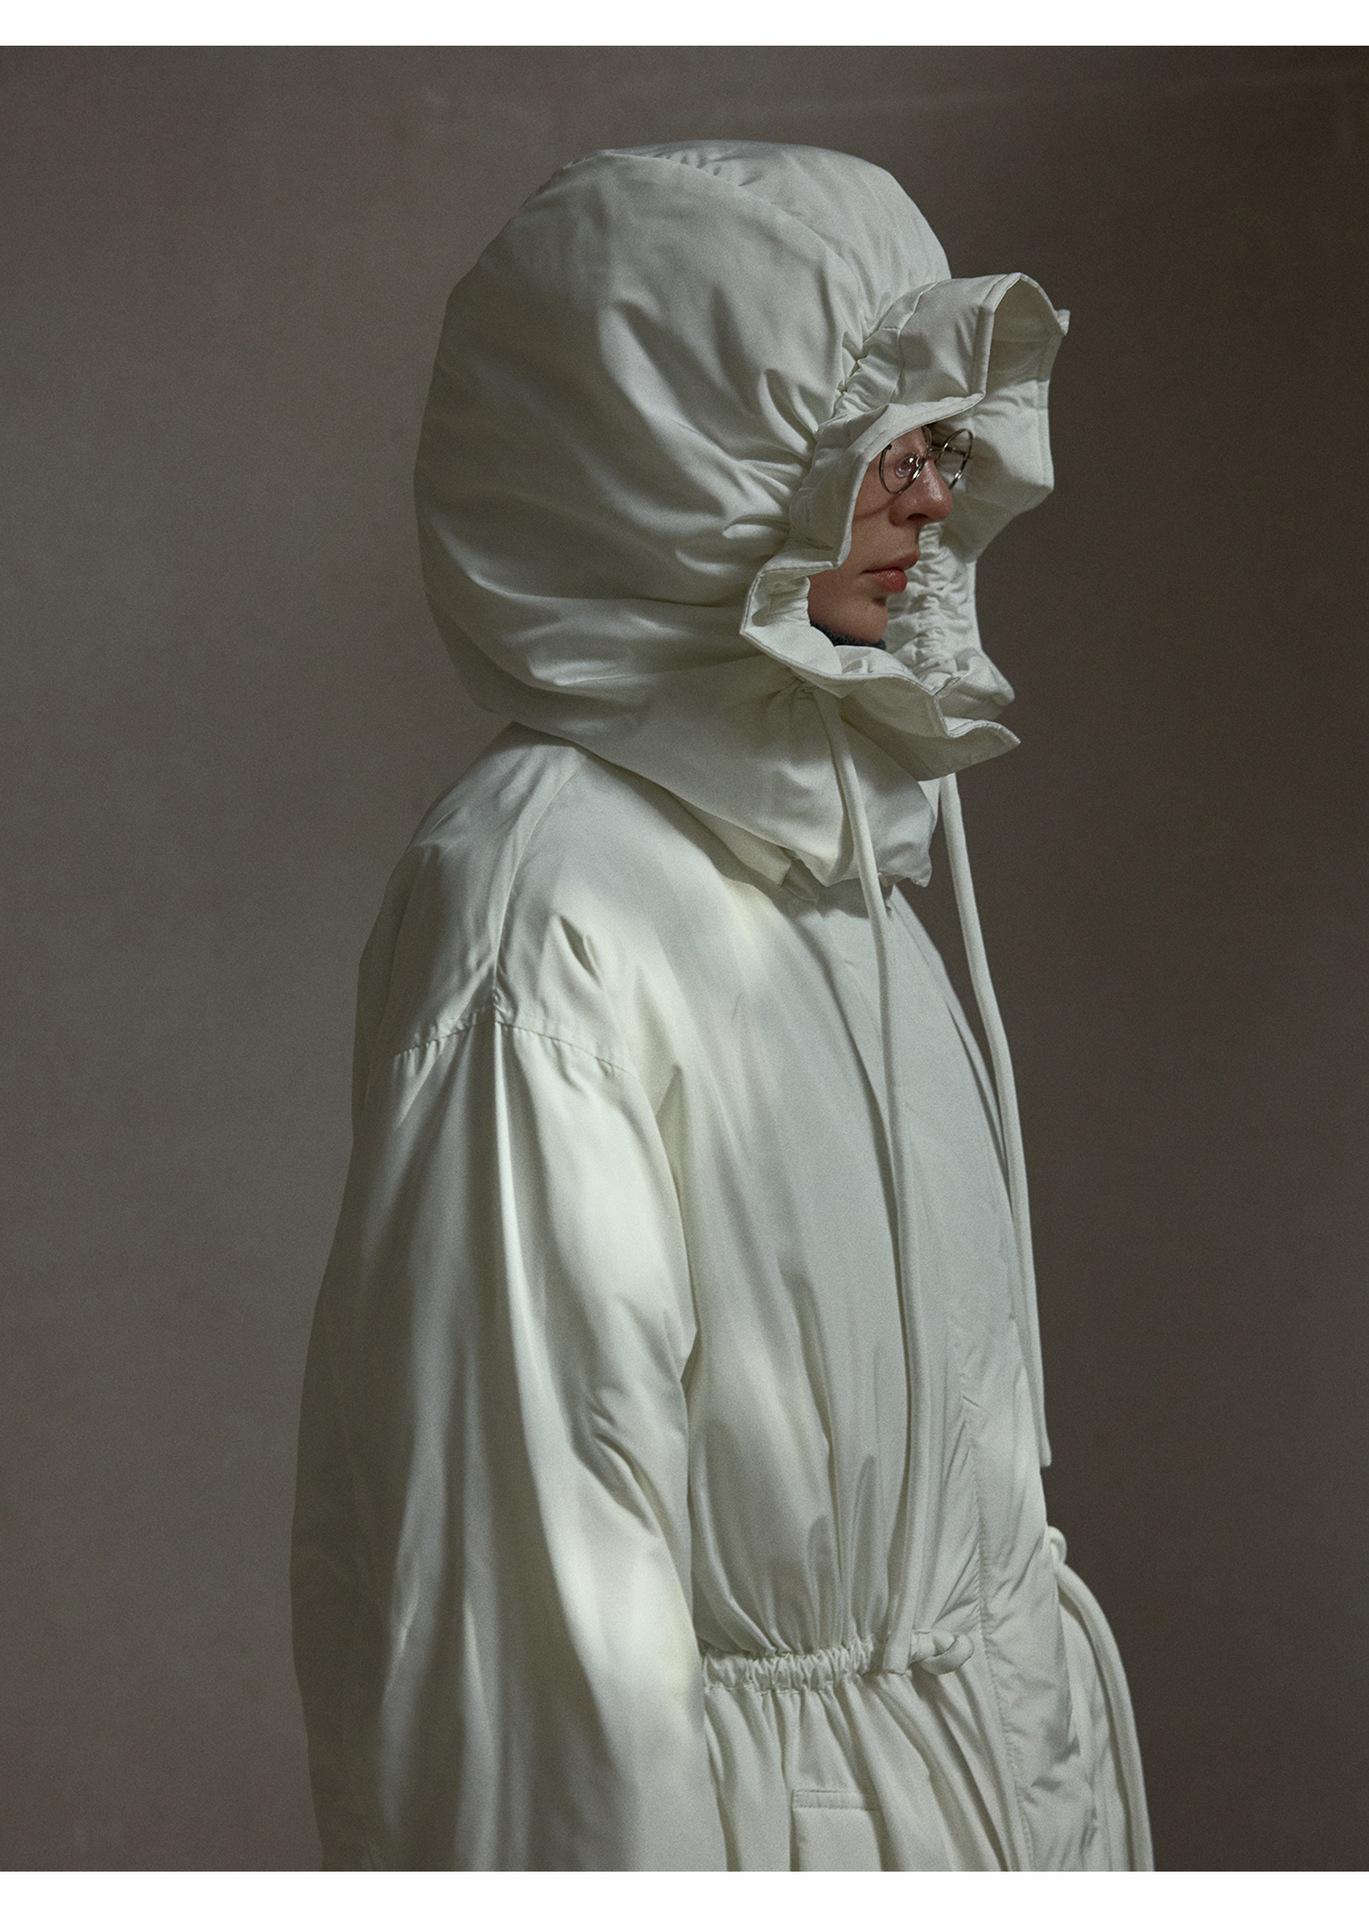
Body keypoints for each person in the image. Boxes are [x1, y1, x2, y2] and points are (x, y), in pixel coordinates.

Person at [289, 137, 1154, 1871]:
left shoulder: (836, 844)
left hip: (1000, 1799)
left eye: (940, 440)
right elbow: (531, 1617)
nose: (933, 496)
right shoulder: (544, 903)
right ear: (671, 463)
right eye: (880, 438)